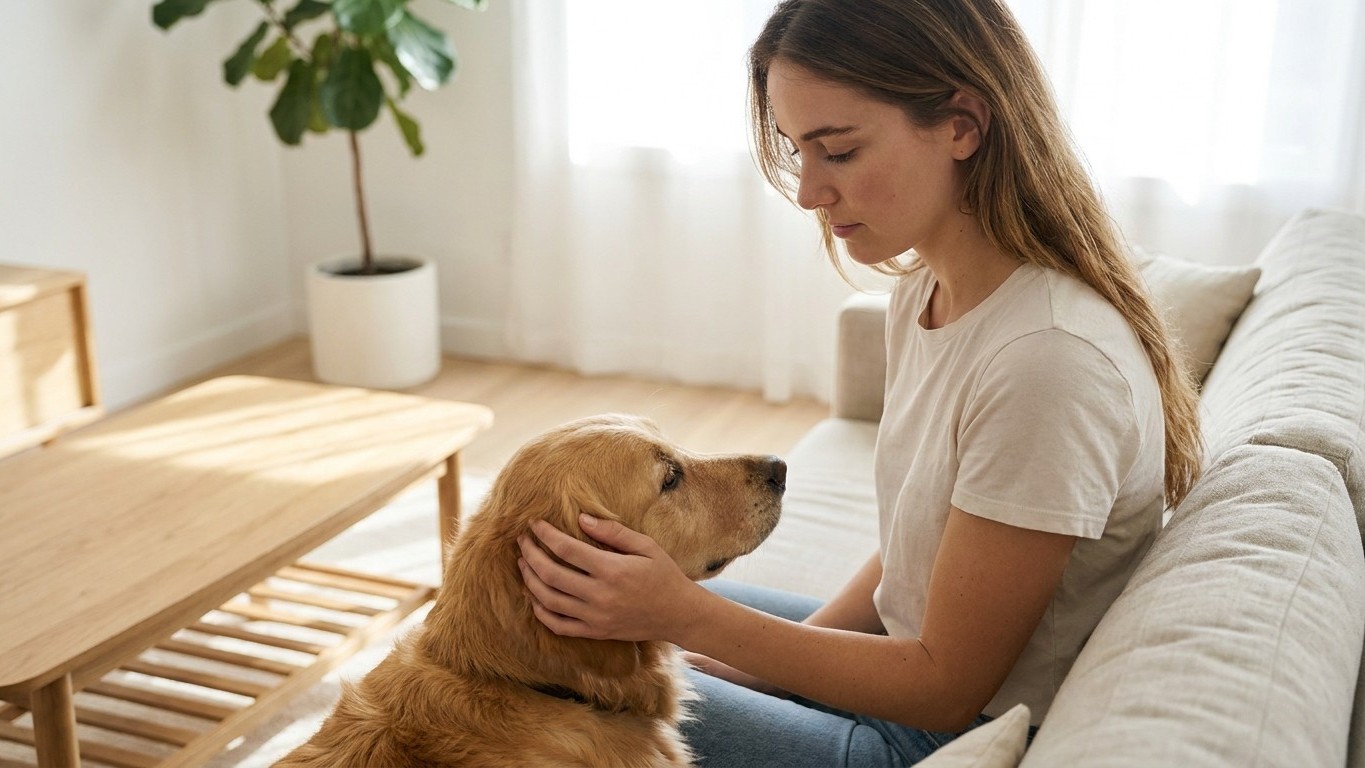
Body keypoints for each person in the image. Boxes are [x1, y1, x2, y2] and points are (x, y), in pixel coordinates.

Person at [517, 0, 1203, 764]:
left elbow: (945, 688)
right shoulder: (927, 292)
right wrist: (751, 665)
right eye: (795, 150)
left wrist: (691, 619)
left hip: (939, 735)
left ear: (962, 125)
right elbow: (922, 548)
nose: (808, 191)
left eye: (837, 151)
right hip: (899, 678)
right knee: (562, 627)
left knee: (532, 698)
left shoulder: (1047, 362)